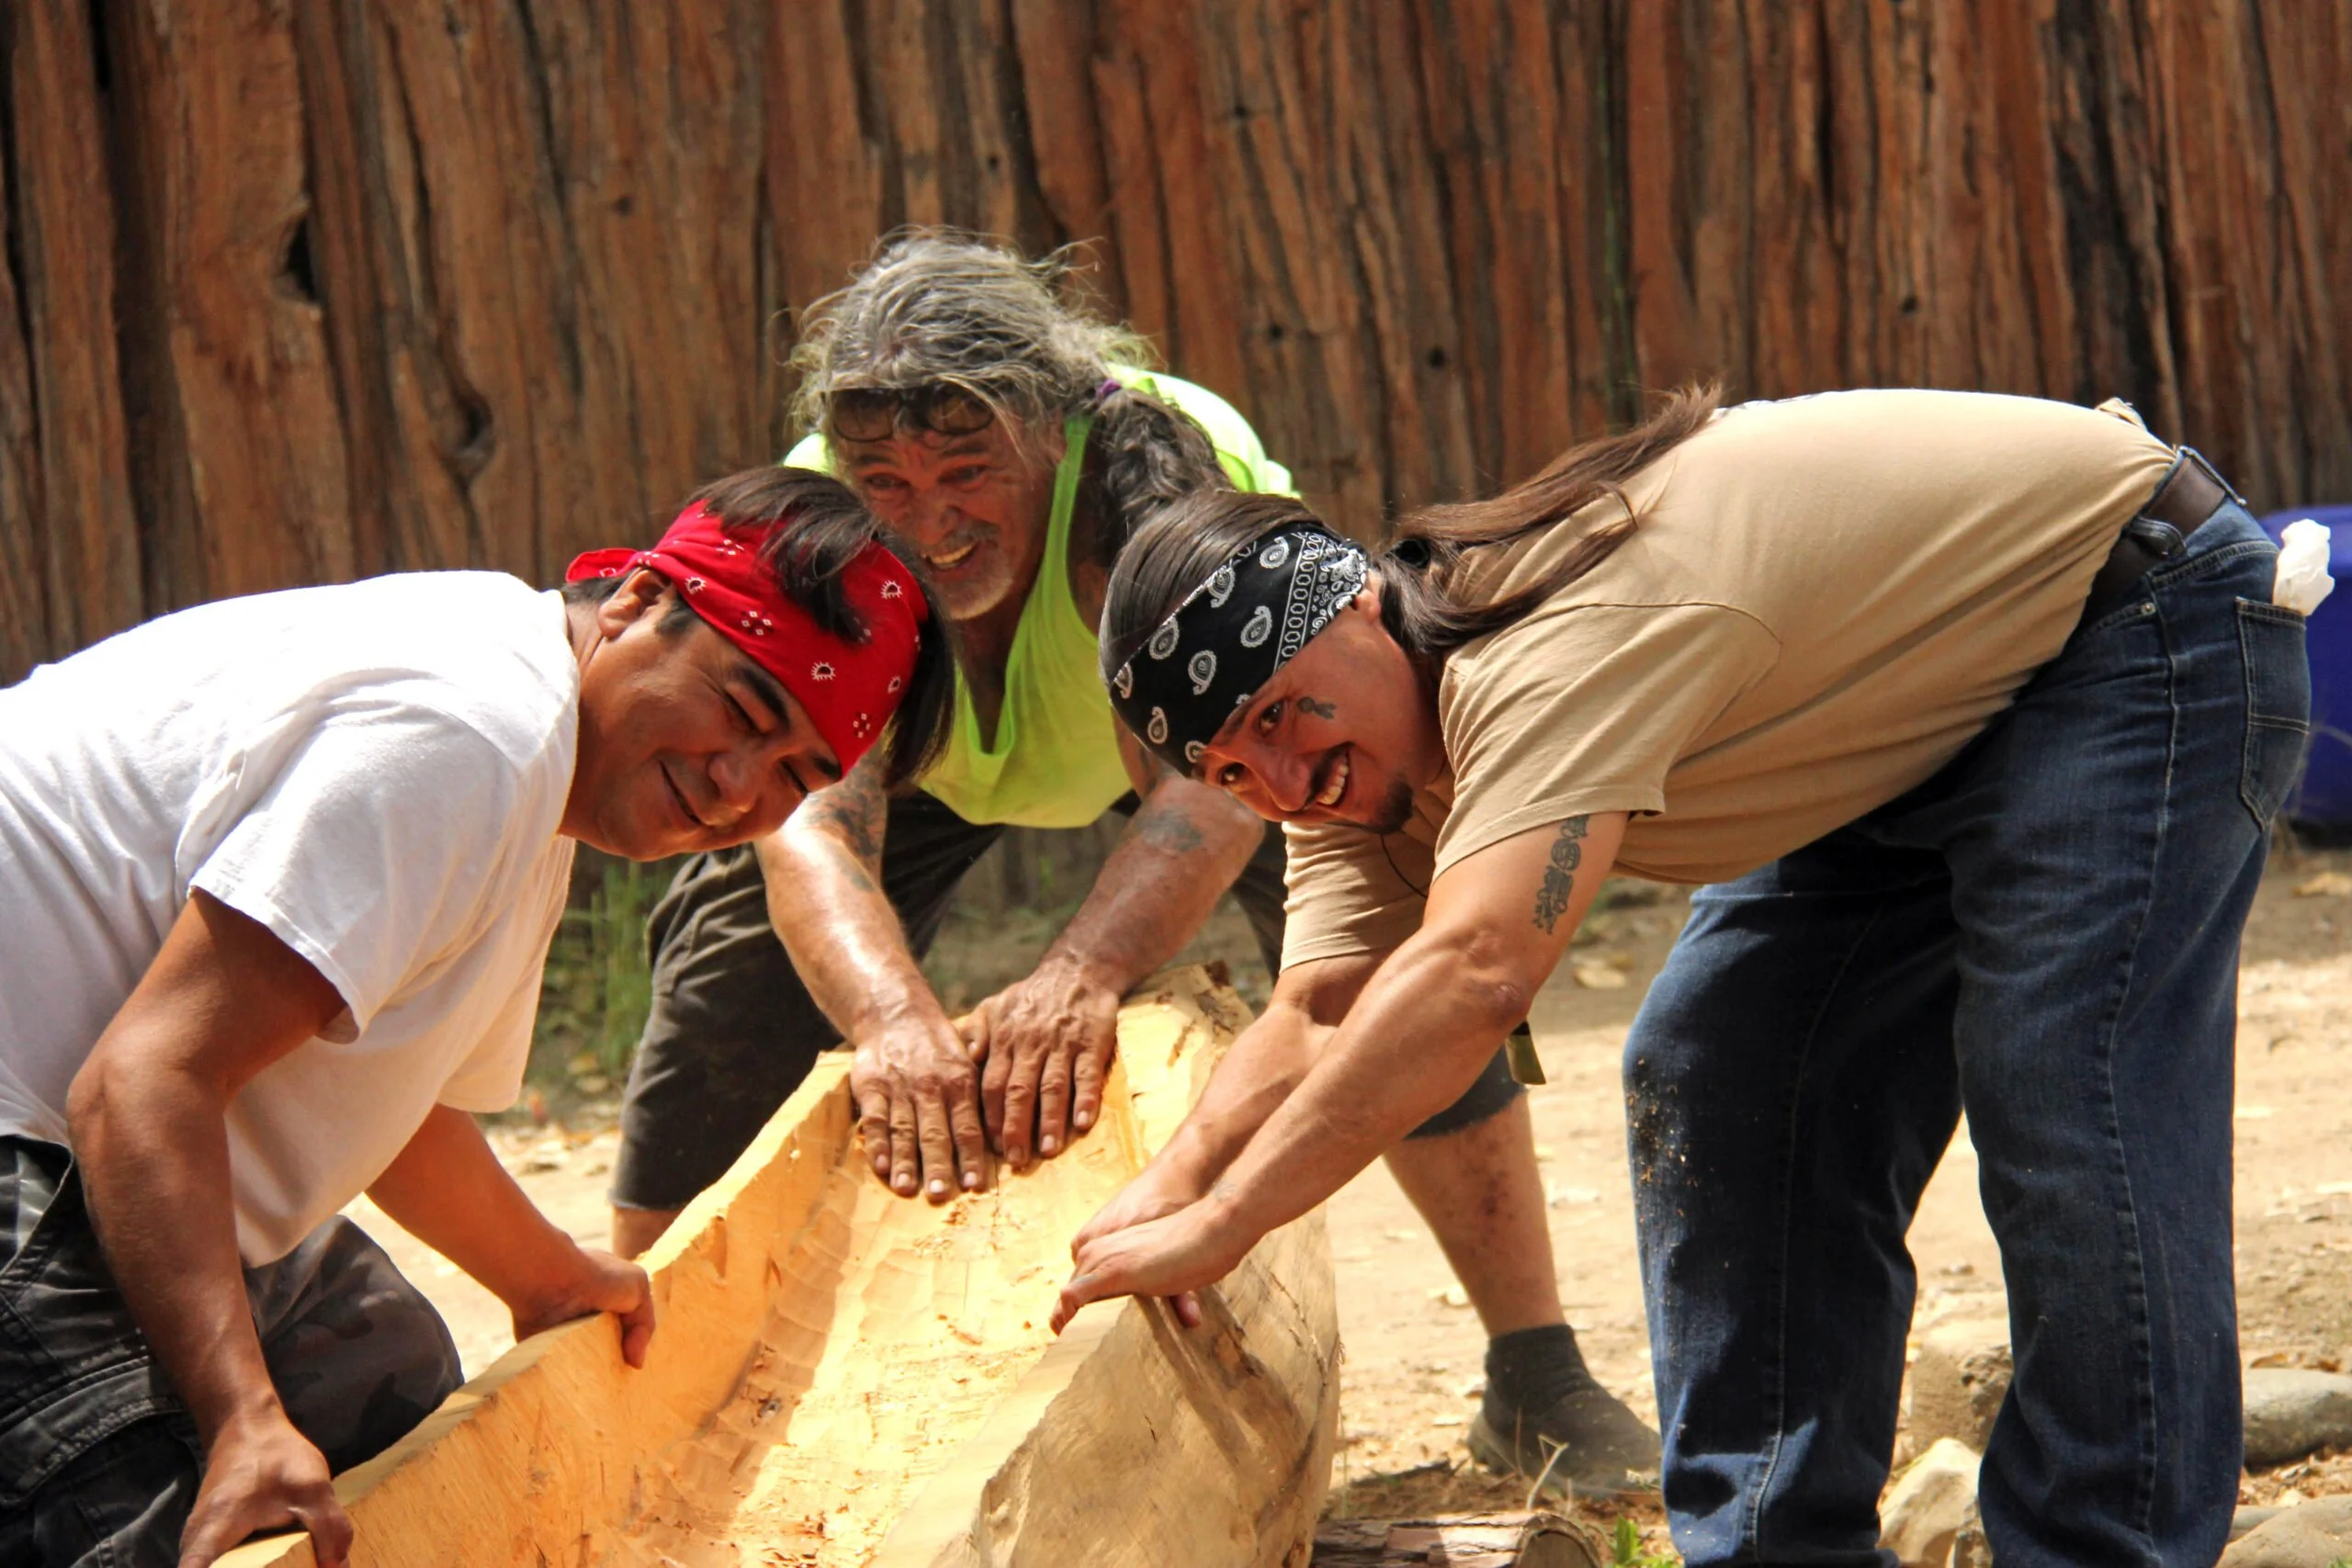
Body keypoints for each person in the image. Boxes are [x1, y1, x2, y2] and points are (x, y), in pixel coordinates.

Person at [1059, 387, 2308, 1567]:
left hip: (2133, 614)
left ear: (1354, 609)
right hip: (1905, 710)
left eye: (1281, 716)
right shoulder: (1354, 755)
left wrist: (1224, 1226)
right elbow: (1321, 1003)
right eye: (1230, 770)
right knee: (1718, 1065)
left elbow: (1477, 970)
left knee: (2062, 1084)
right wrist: (1157, 1197)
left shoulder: (1540, 649)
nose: (1280, 782)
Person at [605, 232, 1657, 1491]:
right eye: (884, 478)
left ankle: (1537, 1372)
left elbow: (1213, 787)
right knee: (731, 964)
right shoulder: (825, 518)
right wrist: (890, 1015)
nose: (930, 524)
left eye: (965, 471)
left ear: (1048, 432)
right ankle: (637, 1383)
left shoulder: (1146, 480)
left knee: (1389, 939)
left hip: (1218, 743)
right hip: (924, 761)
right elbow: (807, 817)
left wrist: (1083, 969)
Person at [0, 468, 948, 1568]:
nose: (740, 788)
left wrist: (544, 1275)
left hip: (85, 1115)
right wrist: (240, 1419)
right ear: (639, 604)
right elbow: (142, 1082)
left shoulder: (536, 764)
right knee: (135, 1502)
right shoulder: (473, 735)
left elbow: (383, 1095)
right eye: (742, 712)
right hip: (42, 1125)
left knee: (386, 1384)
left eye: (797, 774)